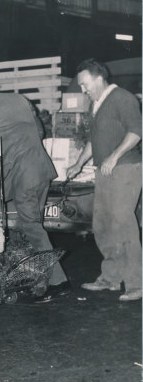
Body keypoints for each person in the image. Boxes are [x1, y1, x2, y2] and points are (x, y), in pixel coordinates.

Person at [0, 67, 70, 303]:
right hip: (41, 170)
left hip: (25, 177)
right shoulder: (19, 99)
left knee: (31, 226)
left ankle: (58, 282)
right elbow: (39, 130)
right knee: (34, 225)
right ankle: (41, 280)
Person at [67, 58, 142, 302]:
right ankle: (111, 277)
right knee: (102, 224)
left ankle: (136, 282)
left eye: (85, 84)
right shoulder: (95, 104)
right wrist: (79, 163)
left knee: (122, 223)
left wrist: (113, 157)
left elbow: (136, 132)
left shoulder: (123, 98)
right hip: (105, 171)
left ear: (99, 78)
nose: (82, 90)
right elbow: (93, 139)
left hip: (126, 169)